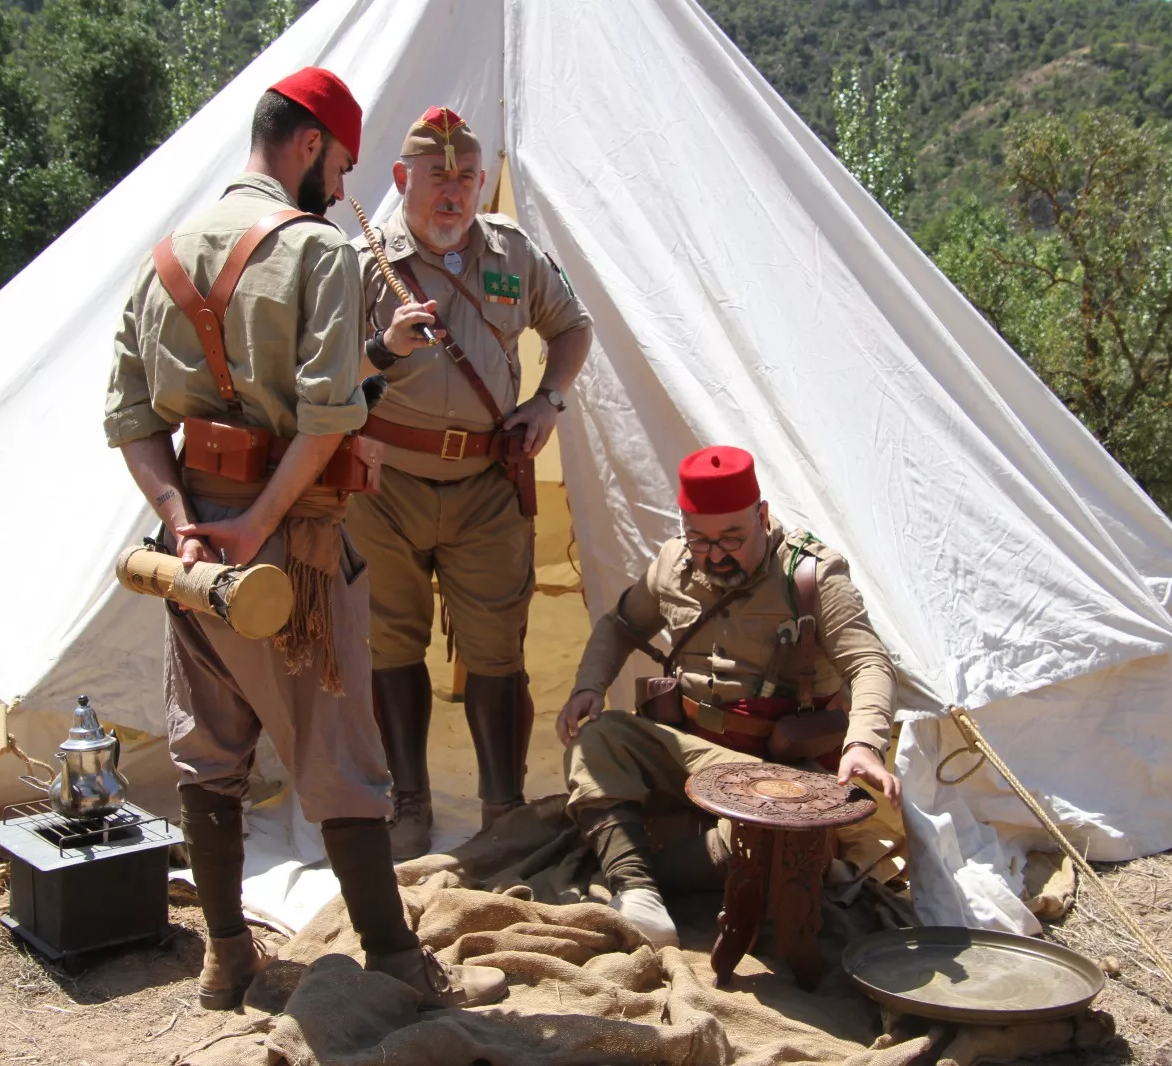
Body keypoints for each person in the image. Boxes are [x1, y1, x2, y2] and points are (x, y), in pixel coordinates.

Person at [103, 68, 505, 1011]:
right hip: (292, 541)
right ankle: (399, 964)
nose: (341, 184)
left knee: (209, 750)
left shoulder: (163, 251)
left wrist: (182, 523)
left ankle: (227, 958)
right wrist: (259, 523)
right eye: (343, 163)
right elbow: (325, 420)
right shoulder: (319, 251)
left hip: (188, 553)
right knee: (344, 751)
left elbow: (127, 419)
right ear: (311, 144)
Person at [349, 106, 593, 858]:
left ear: (481, 182)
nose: (451, 194)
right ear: (401, 181)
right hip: (385, 483)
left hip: (488, 484)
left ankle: (501, 809)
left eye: (465, 178)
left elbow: (573, 326)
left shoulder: (511, 252)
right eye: (436, 178)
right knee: (390, 643)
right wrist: (382, 348)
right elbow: (325, 376)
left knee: (496, 649)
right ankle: (408, 805)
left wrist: (548, 401)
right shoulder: (364, 262)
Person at [554, 445, 901, 948]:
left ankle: (639, 865)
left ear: (762, 516)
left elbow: (870, 664)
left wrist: (864, 743)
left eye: (732, 538)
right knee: (597, 740)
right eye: (699, 539)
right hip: (693, 755)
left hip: (779, 775)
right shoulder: (672, 564)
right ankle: (638, 894)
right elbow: (620, 624)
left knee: (782, 839)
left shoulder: (810, 576)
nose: (714, 554)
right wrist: (590, 687)